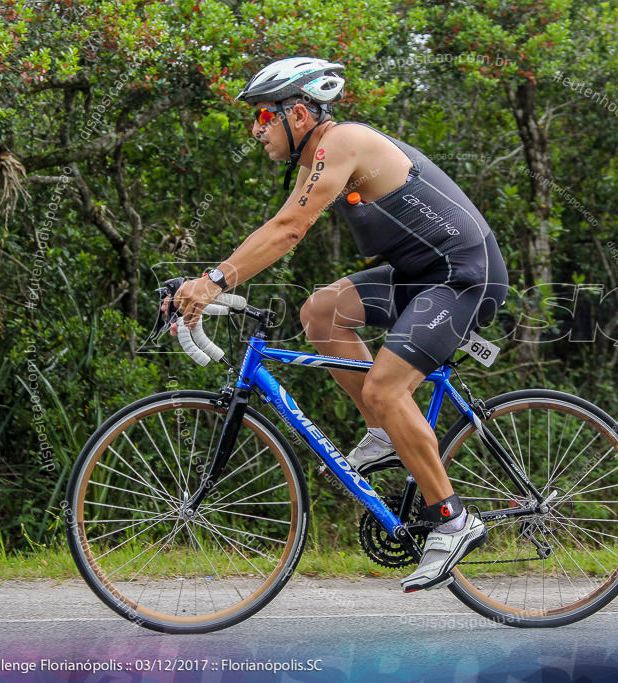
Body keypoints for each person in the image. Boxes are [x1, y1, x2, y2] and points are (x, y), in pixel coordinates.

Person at [169, 57, 509, 592]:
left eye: (262, 115)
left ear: (298, 113)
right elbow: (276, 228)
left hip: (464, 277)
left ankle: (452, 519)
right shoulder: (317, 159)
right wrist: (210, 283)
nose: (256, 129)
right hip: (421, 275)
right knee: (320, 312)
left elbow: (288, 230)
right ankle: (384, 430)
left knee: (387, 386)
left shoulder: (343, 141)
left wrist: (213, 280)